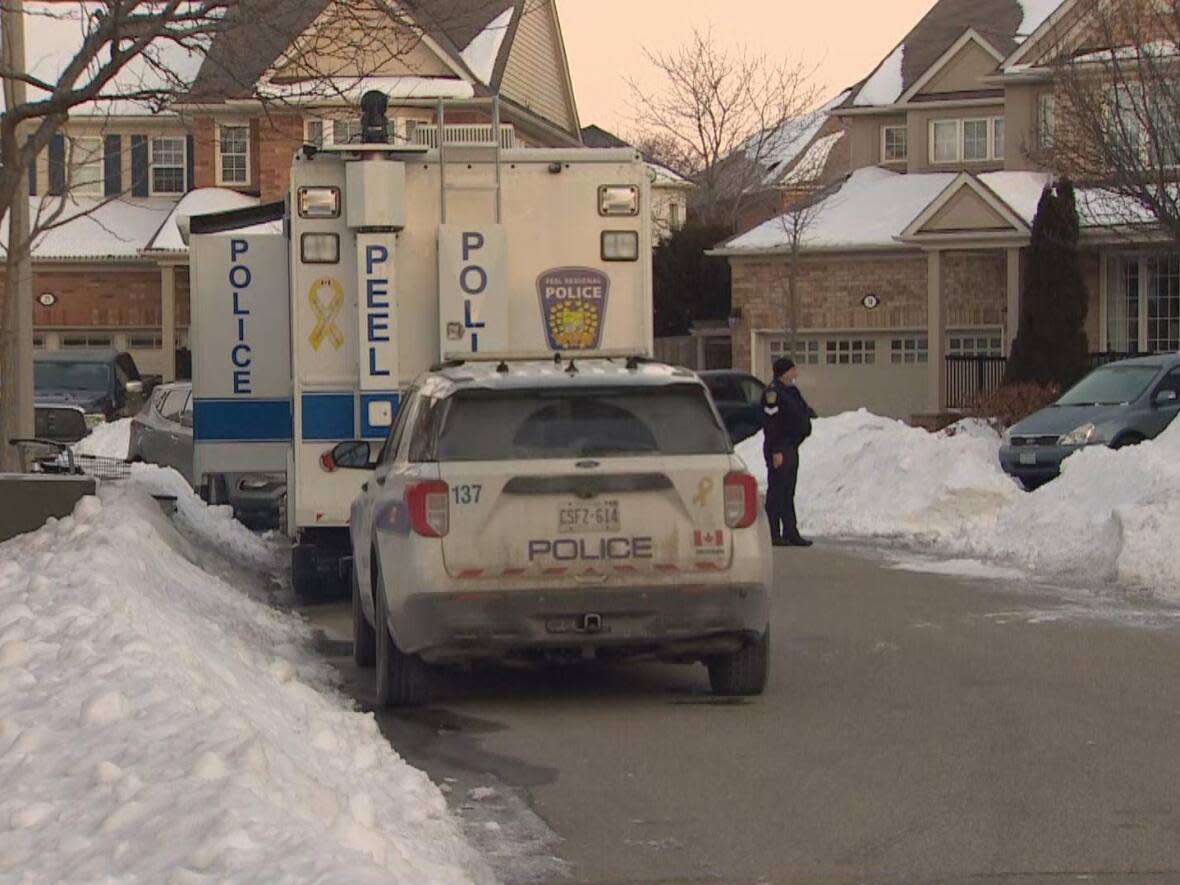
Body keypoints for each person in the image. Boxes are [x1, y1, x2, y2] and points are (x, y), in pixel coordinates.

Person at [761, 357, 813, 547]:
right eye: (793, 369)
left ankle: (790, 531)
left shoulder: (790, 392)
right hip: (780, 448)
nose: (796, 372)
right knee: (777, 491)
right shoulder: (772, 394)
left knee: (788, 491)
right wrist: (775, 451)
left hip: (791, 446)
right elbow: (771, 423)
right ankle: (772, 533)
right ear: (785, 372)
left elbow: (802, 411)